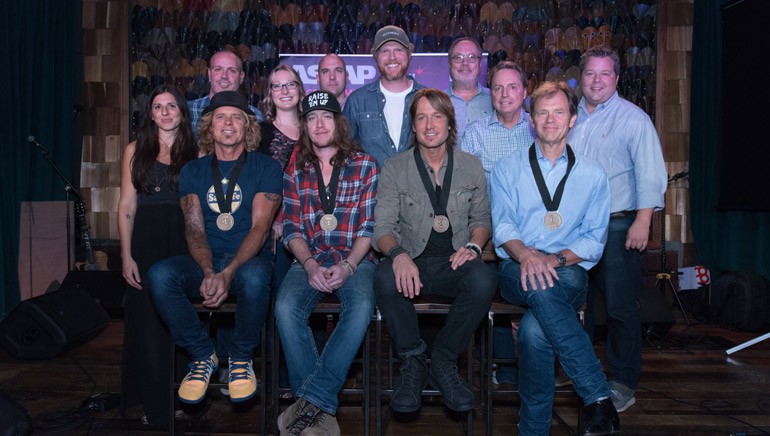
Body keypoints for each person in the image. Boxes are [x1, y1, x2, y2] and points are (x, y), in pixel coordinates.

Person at [491, 80, 618, 435]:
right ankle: (596, 395)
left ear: (573, 119)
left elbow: (594, 241)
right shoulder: (507, 168)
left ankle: (532, 430)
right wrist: (529, 257)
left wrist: (554, 260)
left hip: (570, 269)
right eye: (543, 112)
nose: (550, 119)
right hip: (515, 267)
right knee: (538, 286)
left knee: (533, 330)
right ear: (531, 119)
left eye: (559, 112)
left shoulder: (593, 175)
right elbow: (502, 227)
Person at [147, 91, 282, 405]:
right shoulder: (193, 171)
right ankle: (202, 355)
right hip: (206, 259)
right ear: (209, 125)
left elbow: (261, 228)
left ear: (247, 126)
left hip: (247, 261)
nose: (229, 123)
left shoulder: (266, 167)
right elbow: (194, 230)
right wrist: (209, 271)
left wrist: (228, 272)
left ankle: (240, 358)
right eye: (221, 116)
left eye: (237, 117)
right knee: (160, 275)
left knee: (254, 277)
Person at [373, 88, 496, 413]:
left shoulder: (471, 166)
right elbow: (382, 228)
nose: (429, 125)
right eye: (421, 117)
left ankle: (443, 360)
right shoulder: (395, 167)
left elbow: (482, 220)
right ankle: (413, 360)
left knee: (484, 280)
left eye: (437, 116)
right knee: (384, 277)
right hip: (412, 260)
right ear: (413, 126)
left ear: (449, 123)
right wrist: (397, 254)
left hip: (454, 261)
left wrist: (473, 245)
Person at [567, 46, 667, 413]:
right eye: (590, 73)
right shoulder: (568, 116)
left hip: (617, 225)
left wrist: (642, 222)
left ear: (617, 78)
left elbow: (651, 175)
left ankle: (623, 382)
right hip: (574, 229)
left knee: (621, 308)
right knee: (581, 304)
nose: (596, 81)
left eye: (604, 74)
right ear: (582, 78)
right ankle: (585, 374)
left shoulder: (634, 119)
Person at [275, 90, 379, 436]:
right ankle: (318, 412)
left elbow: (369, 226)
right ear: (304, 126)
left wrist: (348, 266)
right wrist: (308, 266)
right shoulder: (296, 171)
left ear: (339, 122)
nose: (319, 124)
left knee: (362, 305)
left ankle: (308, 405)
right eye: (312, 118)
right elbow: (290, 228)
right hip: (309, 259)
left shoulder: (365, 165)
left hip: (356, 260)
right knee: (286, 306)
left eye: (327, 117)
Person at [118, 84, 199, 426]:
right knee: (149, 323)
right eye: (158, 106)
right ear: (150, 113)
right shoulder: (135, 150)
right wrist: (125, 255)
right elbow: (126, 204)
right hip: (146, 241)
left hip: (184, 241)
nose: (165, 112)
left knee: (179, 321)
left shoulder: (196, 151)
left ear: (182, 111)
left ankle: (181, 398)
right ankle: (156, 406)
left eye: (171, 106)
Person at [343, 25, 427, 164]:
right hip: (373, 185)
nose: (392, 57)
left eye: (398, 50)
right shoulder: (357, 101)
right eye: (385, 51)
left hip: (418, 185)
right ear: (375, 57)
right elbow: (345, 151)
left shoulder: (428, 99)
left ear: (409, 55)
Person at [461, 61, 534, 182]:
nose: (505, 94)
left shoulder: (539, 128)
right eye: (498, 88)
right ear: (491, 94)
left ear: (525, 92)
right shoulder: (474, 134)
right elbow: (465, 184)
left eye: (512, 87)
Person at [188, 50, 264, 141]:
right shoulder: (187, 110)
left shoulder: (255, 116)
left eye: (232, 70)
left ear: (241, 77)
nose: (224, 76)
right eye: (218, 69)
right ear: (209, 74)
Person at [445, 37, 493, 140]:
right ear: (449, 65)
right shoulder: (437, 102)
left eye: (471, 57)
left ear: (480, 64)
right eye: (458, 57)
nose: (465, 63)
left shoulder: (496, 100)